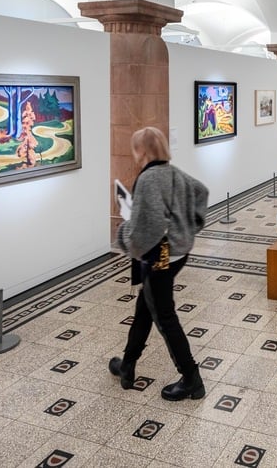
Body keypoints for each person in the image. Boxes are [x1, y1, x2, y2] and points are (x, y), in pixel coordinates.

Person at [109, 126, 209, 401]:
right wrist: (189, 228)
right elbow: (200, 192)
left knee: (165, 317)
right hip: (176, 253)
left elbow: (147, 228)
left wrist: (124, 235)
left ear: (141, 150)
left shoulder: (151, 177)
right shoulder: (172, 171)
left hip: (159, 257)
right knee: (145, 308)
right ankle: (127, 366)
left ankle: (191, 378)